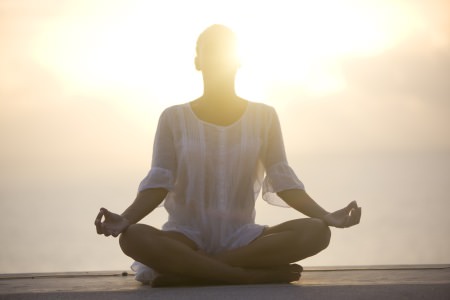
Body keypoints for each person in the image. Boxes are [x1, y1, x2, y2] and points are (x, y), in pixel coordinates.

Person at [95, 24, 361, 287]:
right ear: (198, 62)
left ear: (237, 61)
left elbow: (283, 180)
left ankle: (193, 271)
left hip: (243, 239)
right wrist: (127, 219)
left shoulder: (264, 116)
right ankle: (244, 275)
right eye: (210, 52)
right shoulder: (173, 118)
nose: (217, 59)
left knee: (316, 232)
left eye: (224, 52)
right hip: (184, 237)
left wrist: (326, 215)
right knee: (133, 237)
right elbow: (158, 182)